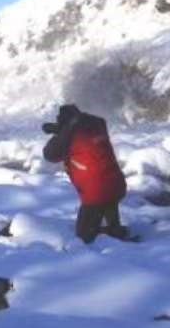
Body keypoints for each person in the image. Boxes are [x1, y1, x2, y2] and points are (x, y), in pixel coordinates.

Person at [42, 103, 128, 243]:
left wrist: (60, 133)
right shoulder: (97, 124)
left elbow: (50, 154)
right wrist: (60, 129)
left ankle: (111, 247)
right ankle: (114, 230)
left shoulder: (69, 134)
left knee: (83, 238)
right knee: (108, 203)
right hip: (116, 185)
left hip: (96, 192)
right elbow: (84, 125)